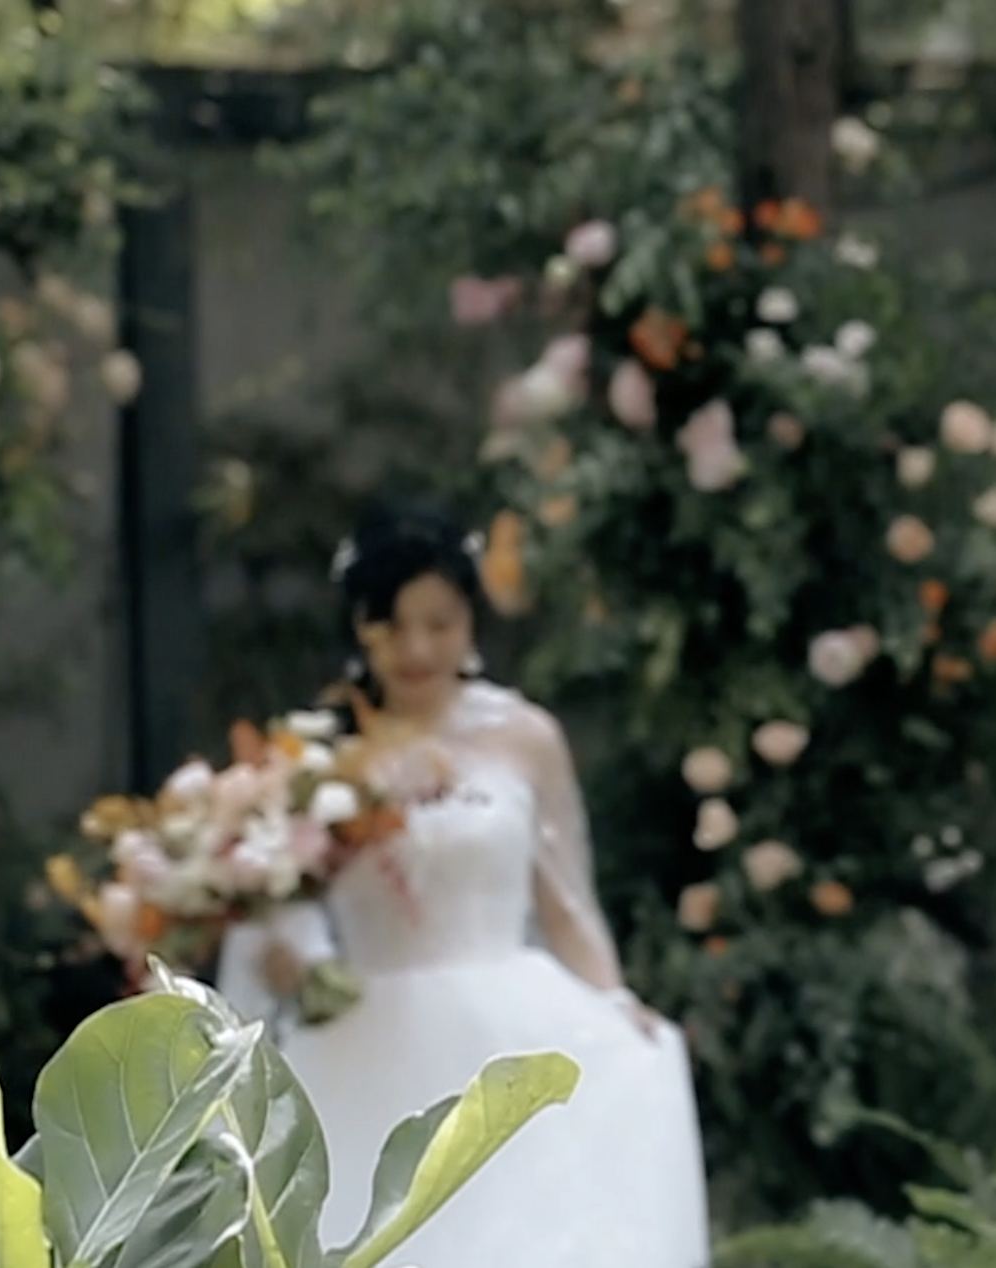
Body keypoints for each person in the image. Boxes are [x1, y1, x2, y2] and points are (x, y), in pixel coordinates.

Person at [216, 499, 710, 1268]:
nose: (416, 647)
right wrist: (294, 961)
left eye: (439, 623)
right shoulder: (316, 753)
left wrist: (612, 1001)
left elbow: (565, 902)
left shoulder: (526, 737)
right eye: (392, 626)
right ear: (360, 627)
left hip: (511, 1014)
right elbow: (279, 894)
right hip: (366, 1034)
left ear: (471, 621)